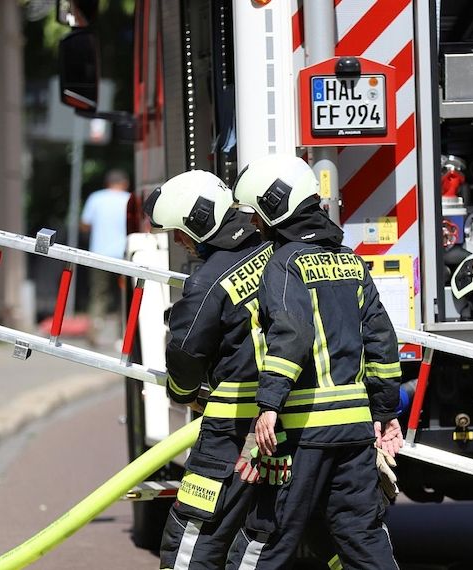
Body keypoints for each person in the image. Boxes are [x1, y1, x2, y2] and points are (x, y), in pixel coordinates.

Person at [226, 154, 403, 570]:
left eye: (257, 216)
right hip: (356, 431)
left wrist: (268, 404)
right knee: (362, 534)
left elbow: (292, 335)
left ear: (274, 208)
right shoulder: (352, 262)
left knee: (269, 535)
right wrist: (384, 410)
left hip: (305, 433)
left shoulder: (284, 263)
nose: (255, 226)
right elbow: (382, 342)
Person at [143, 170, 276, 570]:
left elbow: (185, 353)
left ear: (199, 222)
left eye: (180, 232)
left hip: (230, 431)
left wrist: (183, 393)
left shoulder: (206, 282)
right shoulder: (275, 252)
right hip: (292, 423)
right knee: (271, 533)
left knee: (192, 536)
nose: (180, 242)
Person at [80, 169, 132, 344]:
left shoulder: (96, 198)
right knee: (123, 295)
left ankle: (94, 331)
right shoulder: (128, 199)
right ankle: (123, 334)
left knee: (98, 294)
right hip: (123, 255)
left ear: (107, 183)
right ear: (124, 183)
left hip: (99, 254)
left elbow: (85, 225)